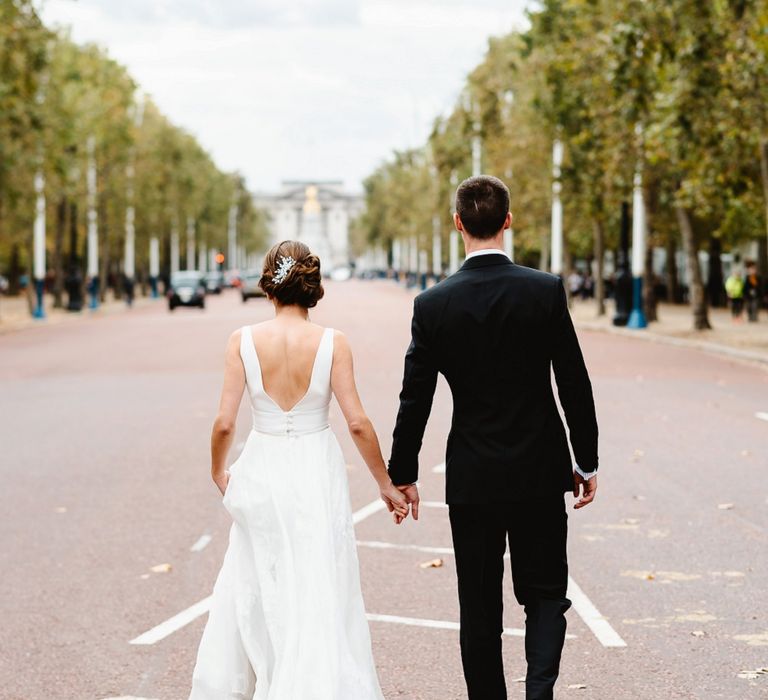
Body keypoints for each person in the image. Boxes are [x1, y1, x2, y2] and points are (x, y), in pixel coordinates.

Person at [388, 175, 599, 700]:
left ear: (457, 223)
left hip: (474, 475)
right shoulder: (544, 290)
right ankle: (539, 693)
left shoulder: (432, 305)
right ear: (508, 220)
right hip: (539, 469)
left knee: (479, 606)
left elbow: (415, 398)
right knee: (546, 594)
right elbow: (572, 381)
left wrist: (403, 473)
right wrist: (586, 461)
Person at [188, 240, 408, 700]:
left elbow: (225, 422)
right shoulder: (333, 342)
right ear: (312, 286)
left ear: (269, 285)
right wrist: (385, 482)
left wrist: (218, 470)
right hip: (314, 465)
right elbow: (357, 422)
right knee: (317, 577)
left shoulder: (242, 341)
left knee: (258, 574)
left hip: (263, 464)